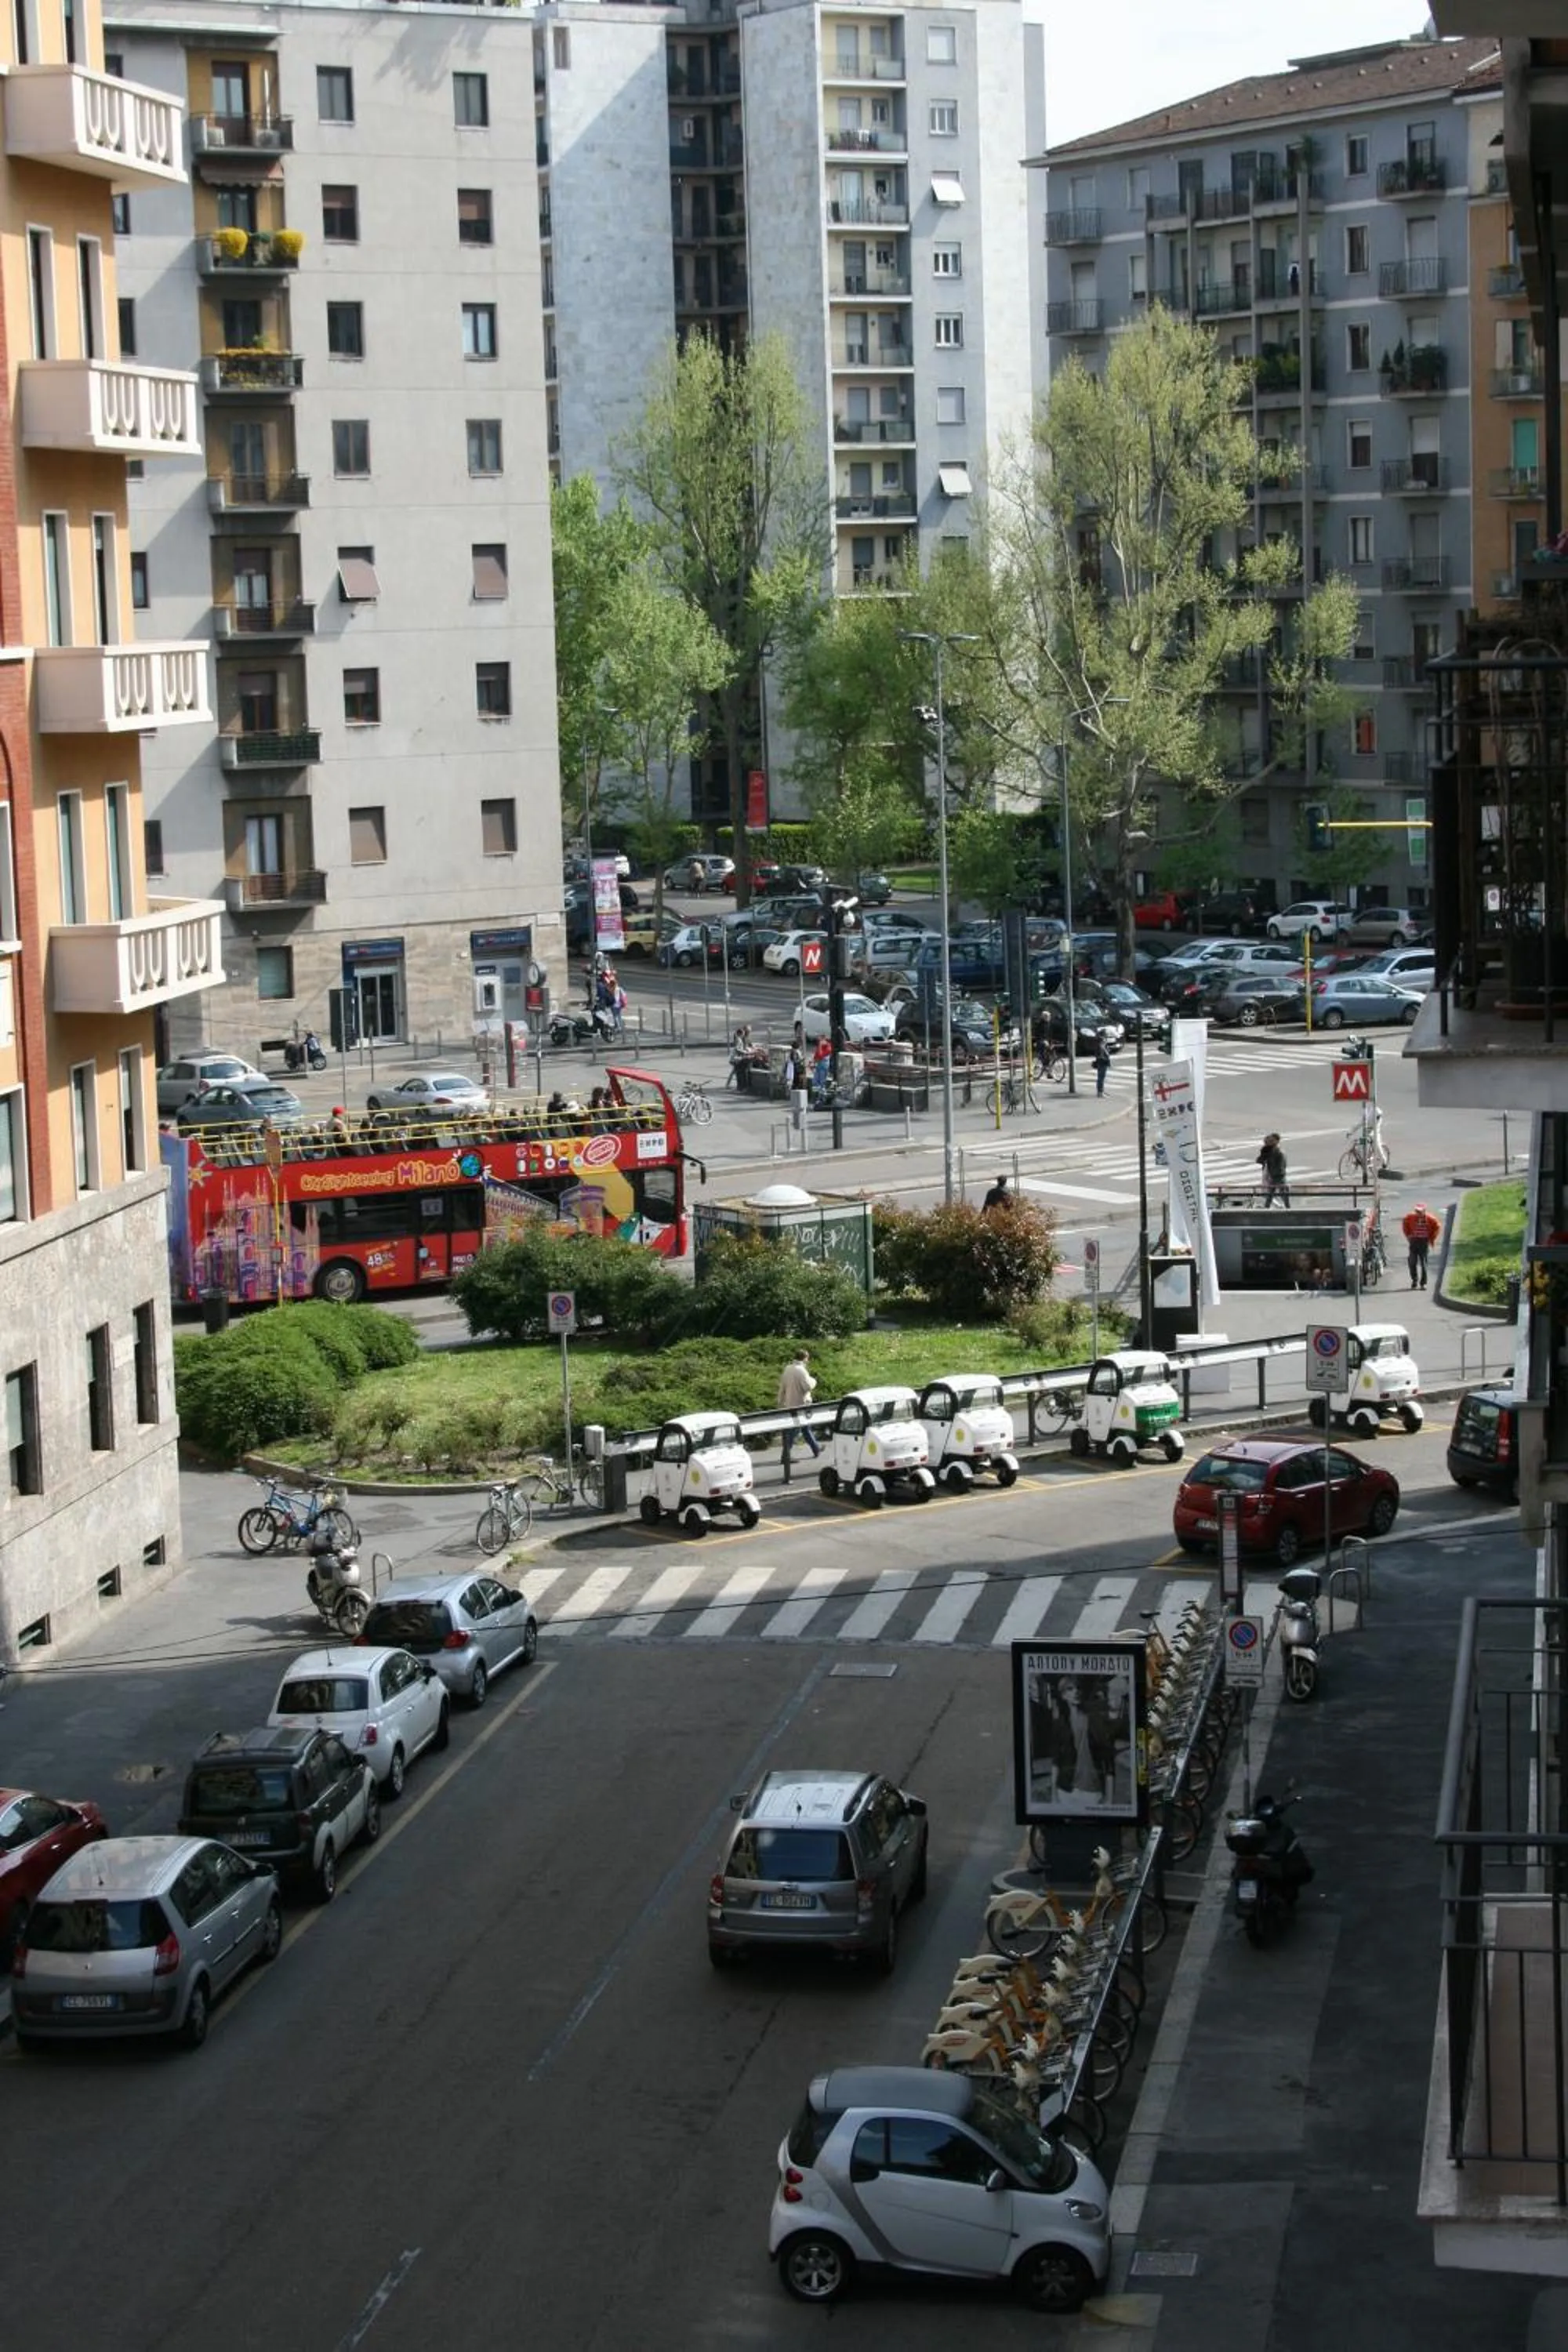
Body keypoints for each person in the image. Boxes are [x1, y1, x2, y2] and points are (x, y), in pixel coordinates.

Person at [778, 1347, 821, 1480]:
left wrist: (780, 1401)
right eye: (807, 1358)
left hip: (790, 1404)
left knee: (805, 1428)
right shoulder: (801, 1370)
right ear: (804, 1358)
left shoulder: (788, 1368)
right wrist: (814, 1381)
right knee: (795, 1430)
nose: (808, 1361)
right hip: (801, 1404)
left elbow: (782, 1386)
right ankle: (785, 1456)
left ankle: (816, 1449)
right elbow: (808, 1386)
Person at [1403, 1200, 1440, 1290]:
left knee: (1423, 1263)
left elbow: (1437, 1226)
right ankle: (1415, 1280)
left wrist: (1432, 1238)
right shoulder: (1411, 1217)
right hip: (1414, 1241)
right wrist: (1408, 1235)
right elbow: (1405, 1223)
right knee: (1412, 1262)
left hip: (1424, 1242)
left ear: (1424, 1211)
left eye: (1420, 1211)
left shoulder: (1430, 1219)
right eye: (1417, 1211)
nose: (1418, 1213)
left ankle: (1423, 1283)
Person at [1258, 1132, 1290, 1207]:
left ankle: (1287, 1208)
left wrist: (1275, 1174)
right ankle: (1267, 1207)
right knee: (1271, 1194)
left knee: (1280, 1194)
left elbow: (1281, 1165)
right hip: (1274, 1175)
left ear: (1277, 1141)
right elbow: (1261, 1160)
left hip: (1278, 1176)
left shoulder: (1279, 1152)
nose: (1270, 1142)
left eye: (1272, 1140)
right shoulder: (1270, 1150)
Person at [1093, 1032, 1113, 1098]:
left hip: (1101, 1062)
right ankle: (1100, 1092)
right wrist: (1107, 1060)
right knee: (1101, 1078)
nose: (1105, 1040)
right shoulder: (1101, 1046)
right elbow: (1103, 1055)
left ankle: (1101, 1092)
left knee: (1100, 1077)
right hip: (1102, 1063)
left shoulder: (1100, 1045)